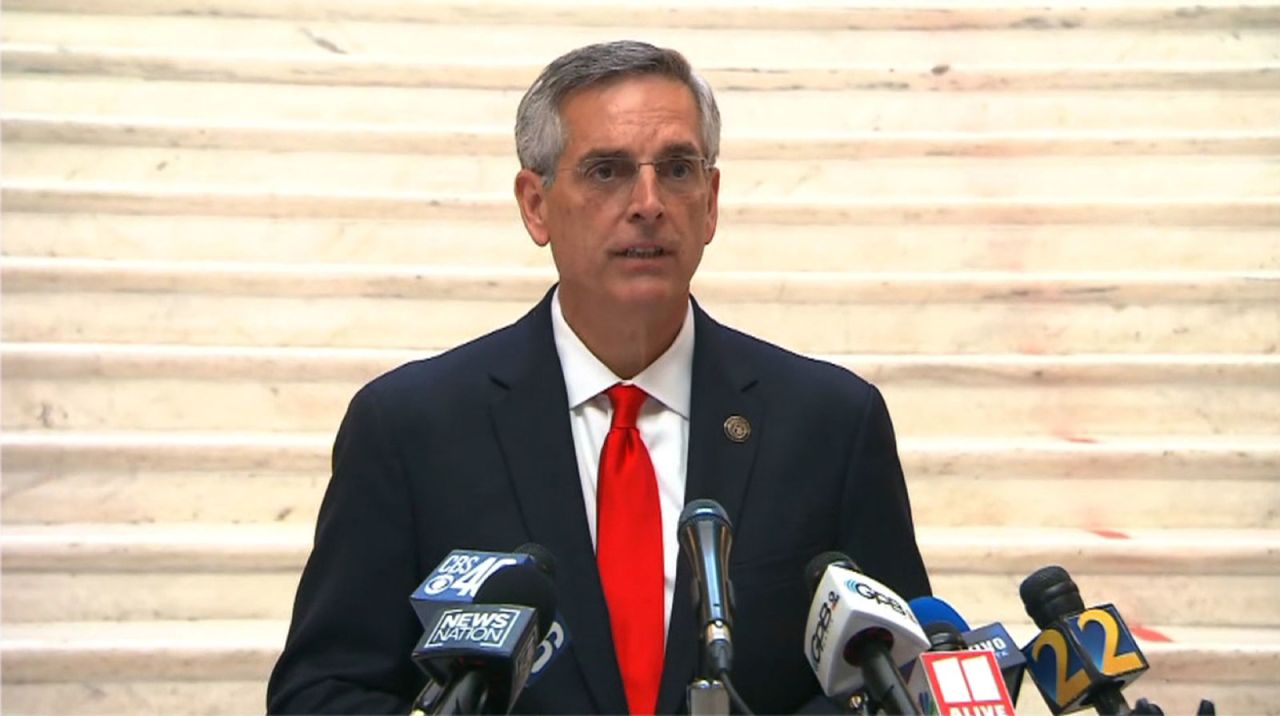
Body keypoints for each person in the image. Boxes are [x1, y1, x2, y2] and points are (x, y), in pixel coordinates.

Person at [267, 40, 930, 715]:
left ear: (711, 201)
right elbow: (324, 692)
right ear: (535, 204)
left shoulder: (830, 424)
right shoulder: (412, 428)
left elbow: (901, 677)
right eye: (607, 171)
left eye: (677, 169)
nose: (647, 202)